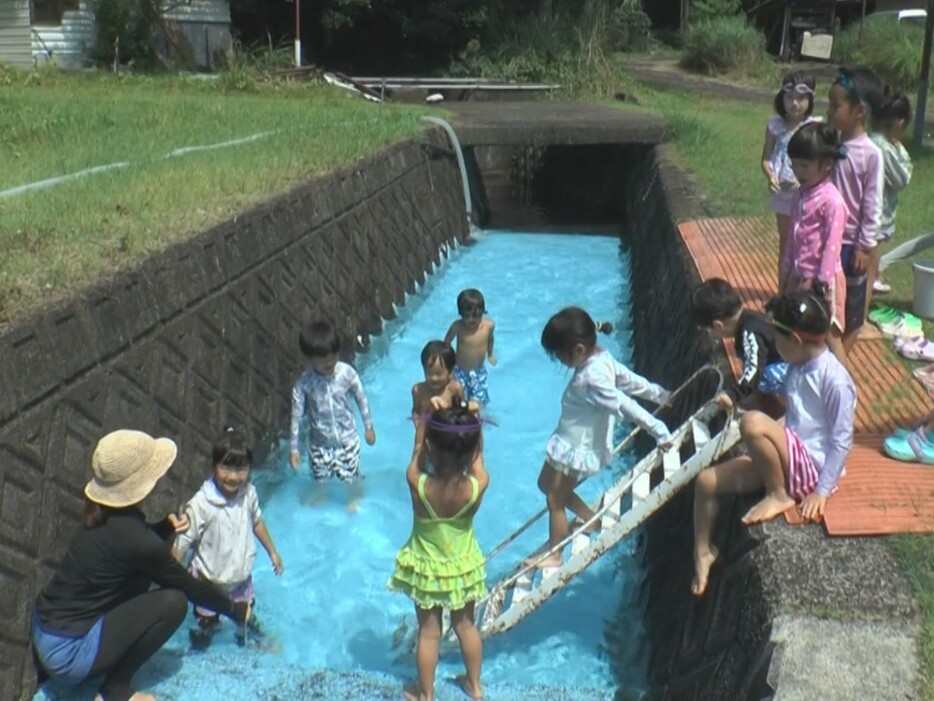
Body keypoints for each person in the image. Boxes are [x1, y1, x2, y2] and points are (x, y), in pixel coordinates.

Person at [32, 430, 251, 701]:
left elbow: (127, 545)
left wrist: (165, 528)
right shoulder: (139, 541)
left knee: (136, 580)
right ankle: (115, 689)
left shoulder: (97, 516)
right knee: (174, 602)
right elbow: (189, 587)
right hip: (69, 656)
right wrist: (235, 610)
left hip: (44, 633)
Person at [692, 290, 856, 596]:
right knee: (705, 482)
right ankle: (703, 551)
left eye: (776, 339)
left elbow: (842, 440)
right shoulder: (798, 366)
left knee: (753, 422)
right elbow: (772, 388)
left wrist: (821, 491)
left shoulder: (835, 380)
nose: (773, 346)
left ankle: (779, 494)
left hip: (810, 469)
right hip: (787, 458)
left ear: (794, 339)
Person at [532, 307, 672, 569]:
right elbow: (630, 381)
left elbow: (624, 404)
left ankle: (555, 554)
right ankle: (589, 520)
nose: (560, 361)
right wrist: (659, 394)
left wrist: (658, 430)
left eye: (560, 355)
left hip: (576, 446)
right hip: (566, 439)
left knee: (554, 499)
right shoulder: (601, 356)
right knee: (545, 484)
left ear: (578, 350)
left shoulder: (592, 378)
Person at [387, 405, 489, 701]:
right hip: (462, 568)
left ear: (431, 446)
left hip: (428, 570)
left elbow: (418, 451)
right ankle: (474, 685)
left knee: (429, 633)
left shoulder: (418, 483)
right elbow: (478, 459)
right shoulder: (477, 485)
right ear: (470, 451)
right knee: (466, 626)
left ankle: (426, 694)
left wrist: (422, 425)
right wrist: (475, 424)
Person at [173, 427, 284, 650]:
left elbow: (257, 522)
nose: (233, 477)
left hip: (240, 580)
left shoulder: (249, 494)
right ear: (214, 466)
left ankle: (251, 643)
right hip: (208, 583)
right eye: (226, 467)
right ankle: (199, 652)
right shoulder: (202, 504)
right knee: (206, 626)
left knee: (245, 618)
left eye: (241, 469)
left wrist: (272, 552)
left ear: (250, 469)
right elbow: (182, 543)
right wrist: (172, 579)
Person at [781, 122, 849, 365]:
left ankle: (845, 386)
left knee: (829, 333)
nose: (798, 170)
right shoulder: (800, 195)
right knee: (799, 331)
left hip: (823, 281)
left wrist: (821, 282)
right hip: (799, 276)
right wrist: (786, 270)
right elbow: (793, 237)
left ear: (827, 165)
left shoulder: (832, 202)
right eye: (794, 164)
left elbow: (832, 244)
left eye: (805, 165)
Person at [289, 321, 376, 511]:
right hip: (319, 443)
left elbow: (362, 399)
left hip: (347, 440)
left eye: (334, 356)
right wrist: (294, 448)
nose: (330, 362)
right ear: (310, 358)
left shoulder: (346, 374)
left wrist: (368, 427)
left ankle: (354, 497)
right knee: (320, 478)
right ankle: (322, 494)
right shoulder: (305, 383)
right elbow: (296, 416)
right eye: (323, 358)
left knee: (350, 477)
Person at [828, 65, 884, 353]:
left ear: (859, 111)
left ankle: (840, 368)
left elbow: (873, 204)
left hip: (851, 245)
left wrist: (864, 246)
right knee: (827, 305)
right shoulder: (828, 144)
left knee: (851, 314)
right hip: (827, 240)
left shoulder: (871, 154)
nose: (830, 111)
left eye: (836, 105)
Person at [691, 278, 785, 416]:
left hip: (790, 369)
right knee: (751, 366)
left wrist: (733, 394)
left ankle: (790, 410)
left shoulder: (750, 332)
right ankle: (759, 398)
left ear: (718, 325)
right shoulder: (748, 318)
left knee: (765, 374)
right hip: (781, 361)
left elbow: (754, 368)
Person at [761, 71, 819, 280]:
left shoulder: (813, 127)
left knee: (804, 240)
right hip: (782, 193)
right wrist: (771, 176)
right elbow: (766, 158)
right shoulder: (775, 126)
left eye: (801, 98)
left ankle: (803, 284)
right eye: (789, 98)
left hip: (805, 193)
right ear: (781, 99)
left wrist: (802, 180)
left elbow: (818, 162)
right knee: (785, 241)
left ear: (810, 100)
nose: (794, 103)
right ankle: (782, 288)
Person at [867, 90, 913, 299]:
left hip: (871, 214)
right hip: (877, 215)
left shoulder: (869, 139)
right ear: (899, 122)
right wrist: (901, 150)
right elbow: (901, 178)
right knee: (869, 266)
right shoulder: (883, 147)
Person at [411, 340, 468, 453]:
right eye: (429, 373)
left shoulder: (455, 389)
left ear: (451, 371)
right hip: (426, 438)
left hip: (449, 439)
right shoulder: (418, 390)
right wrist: (417, 421)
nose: (434, 378)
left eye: (439, 374)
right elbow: (416, 410)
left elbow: (462, 412)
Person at [443, 289, 496, 404]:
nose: (472, 320)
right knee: (459, 400)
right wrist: (448, 368)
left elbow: (490, 339)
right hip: (460, 371)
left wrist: (490, 354)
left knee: (479, 400)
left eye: (476, 316)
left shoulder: (489, 326)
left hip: (479, 371)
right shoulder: (457, 327)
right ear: (460, 313)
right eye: (467, 316)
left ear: (482, 312)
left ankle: (479, 418)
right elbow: (446, 345)